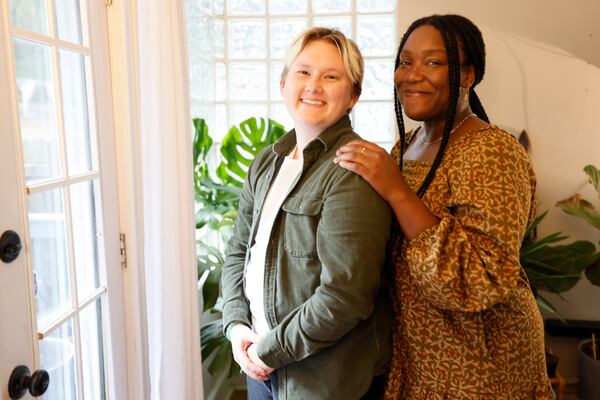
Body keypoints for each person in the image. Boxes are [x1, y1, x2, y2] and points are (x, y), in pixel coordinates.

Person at [334, 14, 554, 399]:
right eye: (405, 61)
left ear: (468, 75)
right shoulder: (406, 147)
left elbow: (482, 276)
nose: (412, 75)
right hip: (419, 357)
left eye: (433, 62)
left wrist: (398, 191)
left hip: (482, 363)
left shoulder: (492, 150)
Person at [221, 27, 393, 400]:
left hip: (320, 382)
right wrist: (236, 327)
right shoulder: (268, 161)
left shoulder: (351, 169)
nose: (314, 85)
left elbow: (344, 297)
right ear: (283, 83)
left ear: (354, 96)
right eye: (303, 72)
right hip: (261, 368)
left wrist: (267, 352)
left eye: (331, 76)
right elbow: (238, 251)